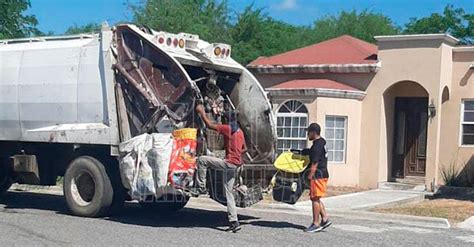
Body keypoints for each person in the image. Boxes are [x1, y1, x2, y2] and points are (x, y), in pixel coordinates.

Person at [193, 103, 246, 233]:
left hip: (228, 163)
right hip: (235, 165)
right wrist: (234, 152)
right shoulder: (240, 132)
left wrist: (201, 112)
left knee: (202, 160)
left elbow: (210, 125)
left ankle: (200, 188)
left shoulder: (228, 128)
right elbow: (244, 148)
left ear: (227, 120)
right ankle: (234, 222)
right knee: (229, 193)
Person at [303, 123, 332, 233]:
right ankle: (324, 219)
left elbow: (314, 163)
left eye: (309, 132)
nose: (307, 134)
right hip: (323, 174)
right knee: (316, 197)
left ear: (314, 132)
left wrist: (310, 176)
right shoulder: (321, 142)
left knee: (314, 199)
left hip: (318, 175)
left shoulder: (316, 146)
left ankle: (316, 223)